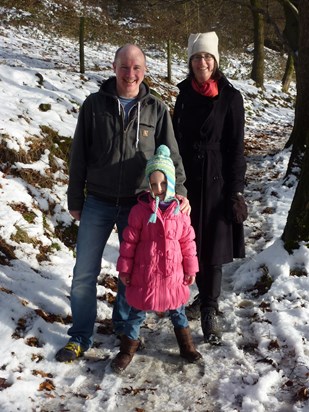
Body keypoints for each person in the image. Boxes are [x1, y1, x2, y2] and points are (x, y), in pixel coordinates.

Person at [55, 44, 189, 362]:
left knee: (135, 273)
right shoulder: (93, 106)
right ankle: (80, 336)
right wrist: (76, 198)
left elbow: (170, 153)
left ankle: (123, 328)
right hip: (97, 202)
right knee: (84, 273)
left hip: (140, 204)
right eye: (125, 67)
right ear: (114, 67)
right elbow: (79, 157)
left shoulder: (156, 109)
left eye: (137, 68)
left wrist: (179, 191)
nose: (130, 74)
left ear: (145, 71)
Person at [172, 32, 247, 345]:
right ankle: (201, 298)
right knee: (192, 243)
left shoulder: (231, 97)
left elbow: (236, 147)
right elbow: (172, 142)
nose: (202, 62)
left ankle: (210, 310)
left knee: (213, 246)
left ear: (215, 61)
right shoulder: (184, 95)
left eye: (207, 57)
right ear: (190, 61)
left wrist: (236, 191)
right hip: (188, 179)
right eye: (196, 57)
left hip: (217, 178)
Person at [111, 145, 202, 373]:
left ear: (171, 182)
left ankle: (186, 346)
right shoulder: (140, 211)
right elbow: (129, 243)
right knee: (136, 313)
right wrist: (125, 270)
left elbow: (188, 244)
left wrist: (191, 269)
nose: (158, 189)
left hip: (173, 275)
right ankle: (126, 350)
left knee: (178, 312)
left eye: (163, 183)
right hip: (146, 275)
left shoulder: (180, 212)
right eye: (153, 184)